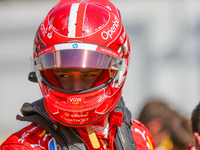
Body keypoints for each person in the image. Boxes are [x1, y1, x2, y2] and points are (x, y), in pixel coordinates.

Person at [0, 0, 155, 150]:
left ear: (117, 70)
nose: (76, 88)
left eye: (88, 75)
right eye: (63, 75)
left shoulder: (138, 137)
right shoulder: (23, 146)